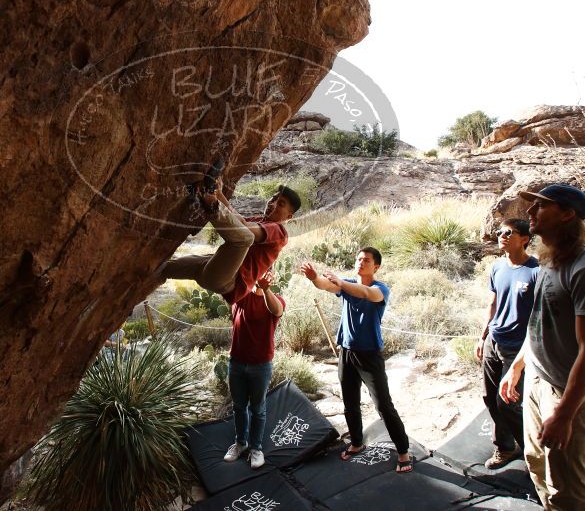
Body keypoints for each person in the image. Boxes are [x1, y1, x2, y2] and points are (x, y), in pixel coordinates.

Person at [499, 184, 585, 510]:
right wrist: (519, 365)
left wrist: (565, 414)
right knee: (535, 460)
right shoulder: (549, 262)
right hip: (537, 380)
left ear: (567, 214)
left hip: (565, 392)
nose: (530, 212)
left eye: (541, 206)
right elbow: (539, 322)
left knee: (566, 486)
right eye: (532, 206)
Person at [301, 248, 413, 473]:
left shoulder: (380, 289)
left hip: (370, 355)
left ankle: (403, 452)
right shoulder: (347, 285)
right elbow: (327, 285)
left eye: (367, 260)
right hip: (347, 352)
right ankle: (357, 442)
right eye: (359, 259)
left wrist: (340, 282)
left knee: (383, 405)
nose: (361, 262)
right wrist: (314, 278)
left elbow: (366, 294)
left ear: (376, 266)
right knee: (350, 403)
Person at [161, 179, 300, 305]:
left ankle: (207, 201)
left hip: (229, 281)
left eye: (280, 204)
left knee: (246, 238)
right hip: (211, 270)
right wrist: (220, 194)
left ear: (289, 216)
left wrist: (217, 199)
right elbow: (237, 220)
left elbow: (243, 229)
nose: (272, 204)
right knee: (163, 268)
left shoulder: (280, 232)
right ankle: (145, 276)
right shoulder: (260, 220)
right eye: (273, 198)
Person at [475, 218, 539, 469]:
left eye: (509, 232)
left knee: (508, 403)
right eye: (500, 232)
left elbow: (539, 317)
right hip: (494, 339)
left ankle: (532, 453)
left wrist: (524, 359)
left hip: (518, 347)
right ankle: (504, 447)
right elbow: (493, 303)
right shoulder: (497, 267)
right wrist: (482, 337)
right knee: (490, 397)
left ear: (524, 238)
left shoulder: (536, 271)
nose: (501, 235)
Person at [223, 271, 286, 469]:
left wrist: (266, 290)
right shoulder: (241, 298)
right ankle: (241, 443)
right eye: (258, 271)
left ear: (272, 276)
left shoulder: (276, 301)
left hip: (261, 365)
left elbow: (277, 311)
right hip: (237, 363)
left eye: (266, 272)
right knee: (239, 406)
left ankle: (256, 448)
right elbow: (226, 286)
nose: (261, 276)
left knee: (258, 409)